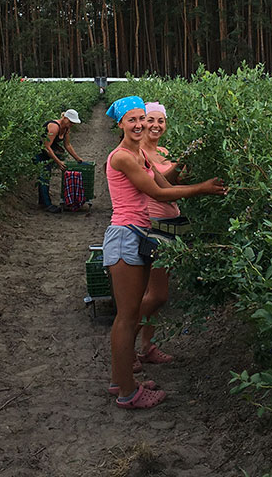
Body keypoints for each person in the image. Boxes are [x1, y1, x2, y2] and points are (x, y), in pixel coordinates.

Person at [102, 96, 227, 409]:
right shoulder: (122, 157)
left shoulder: (139, 155)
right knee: (127, 318)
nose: (141, 124)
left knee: (129, 316)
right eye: (132, 120)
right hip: (125, 237)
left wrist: (193, 170)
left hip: (137, 234)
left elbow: (165, 182)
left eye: (142, 118)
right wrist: (202, 188)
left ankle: (122, 382)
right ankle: (129, 394)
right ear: (120, 124)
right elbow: (157, 193)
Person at [135, 101, 179, 367]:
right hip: (153, 224)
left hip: (171, 220)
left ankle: (146, 347)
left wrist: (183, 169)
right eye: (150, 120)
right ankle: (126, 345)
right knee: (157, 295)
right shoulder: (139, 154)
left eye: (160, 121)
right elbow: (159, 187)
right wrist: (184, 161)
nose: (156, 125)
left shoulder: (163, 151)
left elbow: (173, 183)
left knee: (155, 293)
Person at [36, 109, 84, 213]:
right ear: (65, 118)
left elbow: (67, 145)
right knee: (44, 177)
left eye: (73, 123)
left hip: (47, 153)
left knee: (45, 176)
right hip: (39, 152)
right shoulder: (54, 127)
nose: (72, 124)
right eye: (71, 122)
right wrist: (58, 162)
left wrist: (77, 158)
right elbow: (46, 146)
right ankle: (47, 205)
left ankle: (42, 202)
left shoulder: (66, 129)